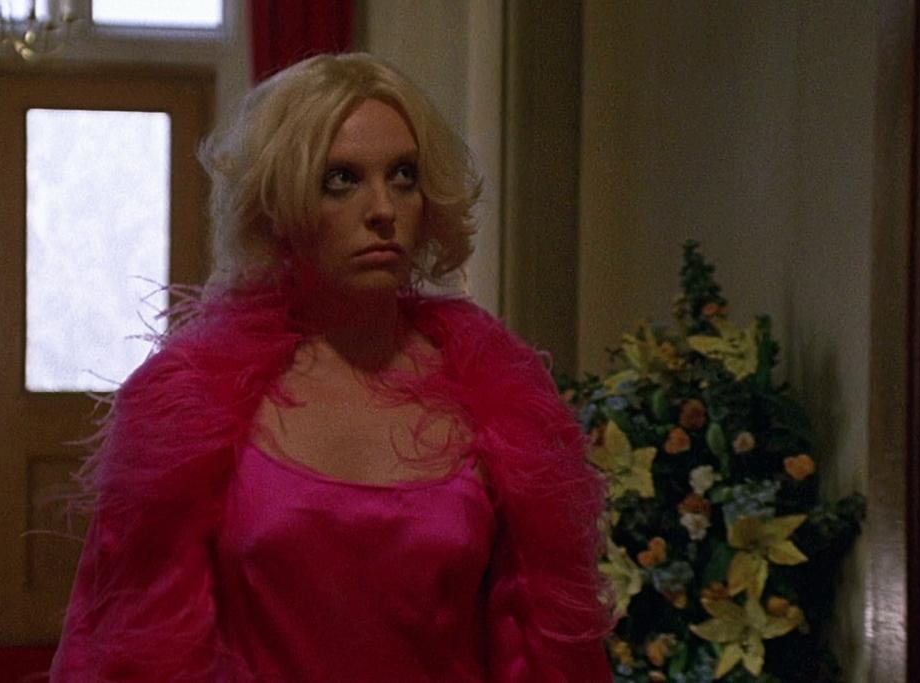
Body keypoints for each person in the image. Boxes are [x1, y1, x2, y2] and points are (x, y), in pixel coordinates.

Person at [50, 52, 614, 682]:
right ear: (280, 204)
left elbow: (547, 648)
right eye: (341, 180)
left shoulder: (501, 402)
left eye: (403, 176)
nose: (383, 209)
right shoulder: (189, 407)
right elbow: (121, 643)